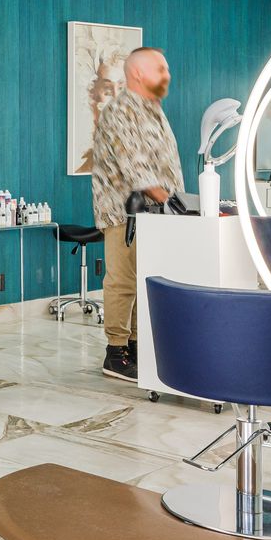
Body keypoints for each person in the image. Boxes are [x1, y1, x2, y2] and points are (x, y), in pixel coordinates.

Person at [86, 46, 184, 382]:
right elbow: (136, 169)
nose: (167, 75)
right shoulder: (120, 111)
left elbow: (166, 165)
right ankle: (115, 352)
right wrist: (175, 203)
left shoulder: (153, 110)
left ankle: (137, 346)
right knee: (123, 281)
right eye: (161, 68)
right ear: (138, 73)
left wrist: (177, 202)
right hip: (124, 213)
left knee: (146, 280)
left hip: (155, 215)